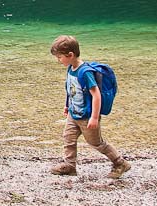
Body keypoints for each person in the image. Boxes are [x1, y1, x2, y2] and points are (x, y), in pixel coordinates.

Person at [49, 35, 131, 179]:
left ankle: (120, 163)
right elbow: (71, 89)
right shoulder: (71, 69)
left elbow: (96, 95)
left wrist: (94, 117)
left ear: (70, 55)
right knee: (68, 138)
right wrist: (67, 105)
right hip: (74, 114)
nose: (58, 60)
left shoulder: (85, 72)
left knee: (96, 143)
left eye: (59, 57)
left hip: (87, 116)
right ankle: (70, 165)